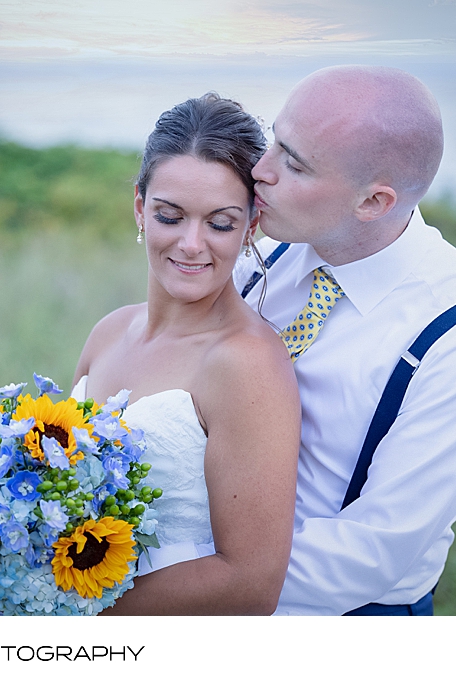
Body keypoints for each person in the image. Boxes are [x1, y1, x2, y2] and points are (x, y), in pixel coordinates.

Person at [233, 65, 456, 615]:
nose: (258, 170)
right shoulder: (261, 255)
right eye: (274, 140)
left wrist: (185, 579)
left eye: (293, 163)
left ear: (374, 202)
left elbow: (369, 554)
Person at [72, 93, 302, 615]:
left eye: (219, 223)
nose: (192, 243)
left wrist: (68, 608)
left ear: (251, 226)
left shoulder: (247, 363)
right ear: (139, 208)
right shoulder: (108, 332)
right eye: (170, 215)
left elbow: (251, 584)